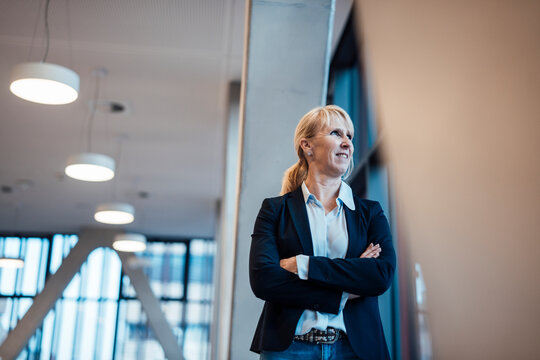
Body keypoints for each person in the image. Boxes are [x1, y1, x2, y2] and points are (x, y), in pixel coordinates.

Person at [249, 105, 396, 359]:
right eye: (336, 133)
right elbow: (264, 280)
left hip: (355, 349)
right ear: (307, 146)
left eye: (349, 136)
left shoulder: (371, 213)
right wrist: (345, 288)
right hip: (289, 350)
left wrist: (303, 266)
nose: (347, 143)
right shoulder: (274, 210)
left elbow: (380, 275)